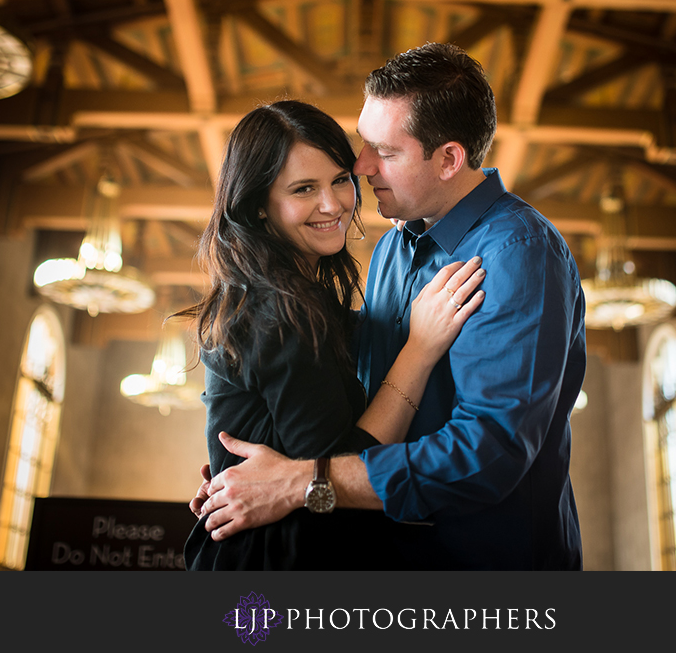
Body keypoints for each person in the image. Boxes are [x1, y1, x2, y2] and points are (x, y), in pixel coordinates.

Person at [195, 42, 586, 571]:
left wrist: (303, 481)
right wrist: (250, 464)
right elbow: (335, 388)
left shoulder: (516, 253)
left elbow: (487, 453)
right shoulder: (391, 250)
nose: (359, 166)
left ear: (449, 158)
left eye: (385, 151)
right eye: (362, 143)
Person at [179, 99, 485, 570]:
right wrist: (419, 350)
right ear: (259, 206)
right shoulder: (277, 309)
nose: (333, 205)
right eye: (304, 189)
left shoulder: (296, 295)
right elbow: (339, 470)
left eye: (340, 180)